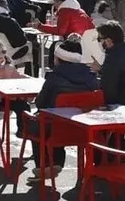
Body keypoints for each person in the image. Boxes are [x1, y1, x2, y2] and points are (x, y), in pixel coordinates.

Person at [25, 34, 99, 181]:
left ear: (58, 59)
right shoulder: (92, 78)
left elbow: (40, 103)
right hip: (85, 130)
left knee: (36, 123)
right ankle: (55, 163)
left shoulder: (54, 78)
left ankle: (45, 165)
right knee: (53, 120)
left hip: (57, 129)